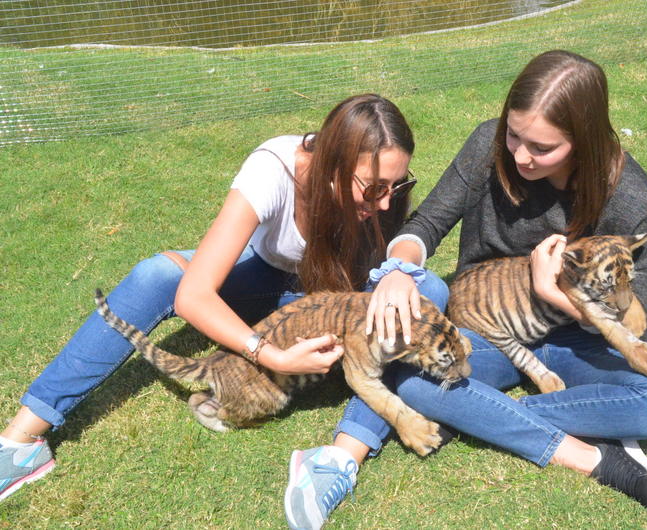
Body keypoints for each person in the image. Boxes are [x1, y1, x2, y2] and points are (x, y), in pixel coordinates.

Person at [285, 50, 647, 528]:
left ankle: (485, 411)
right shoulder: (487, 146)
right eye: (514, 135)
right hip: (487, 328)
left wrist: (554, 293)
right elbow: (428, 224)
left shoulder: (628, 195)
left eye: (541, 148)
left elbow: (644, 327)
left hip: (581, 340)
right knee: (414, 377)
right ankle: (594, 456)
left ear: (582, 142)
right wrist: (397, 267)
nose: (520, 156)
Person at [0, 94, 449, 502]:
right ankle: (22, 441)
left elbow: (391, 257)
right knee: (156, 274)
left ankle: (346, 446)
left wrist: (397, 271)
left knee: (428, 289)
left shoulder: (381, 203)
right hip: (274, 281)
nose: (387, 203)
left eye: (399, 185)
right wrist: (271, 355)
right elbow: (193, 295)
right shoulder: (272, 169)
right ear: (331, 164)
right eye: (373, 188)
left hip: (341, 301)